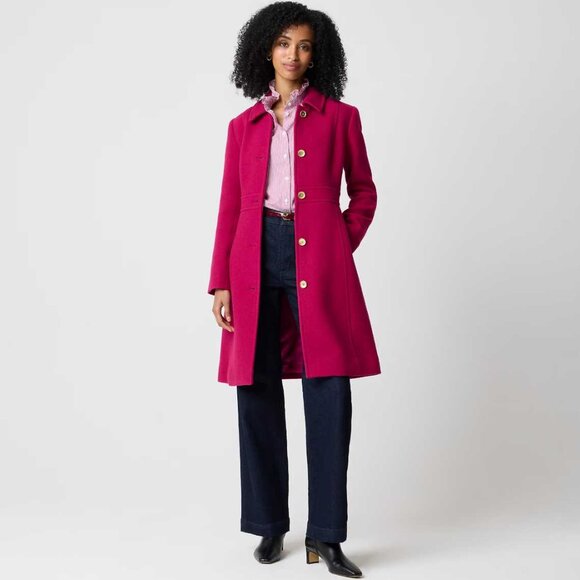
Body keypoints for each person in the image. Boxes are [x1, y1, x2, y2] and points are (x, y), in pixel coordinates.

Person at [208, 2, 381, 577]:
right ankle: (269, 523)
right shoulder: (243, 126)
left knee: (328, 392)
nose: (293, 54)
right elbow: (231, 207)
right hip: (252, 261)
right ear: (266, 49)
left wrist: (336, 243)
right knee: (255, 391)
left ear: (316, 55)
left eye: (304, 45)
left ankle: (326, 536)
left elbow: (363, 192)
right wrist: (220, 282)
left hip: (319, 263)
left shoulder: (341, 118)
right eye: (284, 43)